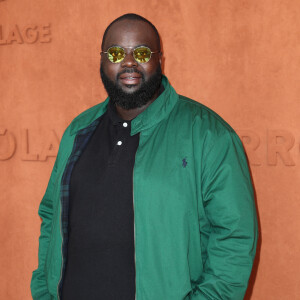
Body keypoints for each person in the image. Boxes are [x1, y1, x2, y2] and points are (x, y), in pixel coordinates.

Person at [31, 13, 258, 300]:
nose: (128, 62)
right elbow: (51, 215)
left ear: (159, 60)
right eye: (116, 53)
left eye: (141, 52)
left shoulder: (209, 135)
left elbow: (234, 237)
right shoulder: (78, 131)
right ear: (102, 60)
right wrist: (44, 290)